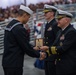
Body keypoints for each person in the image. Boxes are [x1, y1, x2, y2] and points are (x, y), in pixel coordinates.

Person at [2, 5, 46, 75]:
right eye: (28, 17)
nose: (28, 20)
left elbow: (18, 43)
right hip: (14, 63)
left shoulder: (11, 24)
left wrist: (32, 47)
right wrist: (39, 54)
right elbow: (25, 47)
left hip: (7, 61)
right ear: (25, 15)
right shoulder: (19, 28)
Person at [40, 9, 76, 75]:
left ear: (66, 20)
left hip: (68, 67)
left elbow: (63, 48)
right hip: (60, 66)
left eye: (59, 19)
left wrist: (48, 49)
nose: (57, 21)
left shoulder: (71, 32)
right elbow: (55, 45)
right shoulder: (60, 32)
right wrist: (46, 54)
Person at [34, 4, 60, 75]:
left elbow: (57, 41)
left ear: (52, 13)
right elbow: (47, 40)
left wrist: (55, 57)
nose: (44, 14)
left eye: (46, 12)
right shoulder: (48, 24)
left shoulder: (55, 24)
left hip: (52, 56)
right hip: (47, 55)